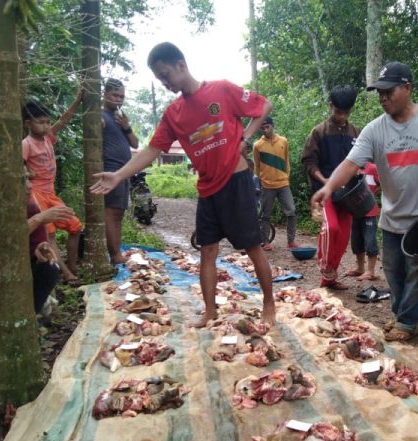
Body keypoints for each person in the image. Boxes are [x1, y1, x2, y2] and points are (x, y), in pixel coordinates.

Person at [90, 42, 276, 325]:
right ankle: (210, 311)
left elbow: (264, 105)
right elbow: (151, 150)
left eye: (165, 74)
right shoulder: (173, 113)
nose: (164, 82)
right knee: (207, 252)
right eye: (159, 78)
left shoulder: (222, 89)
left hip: (237, 182)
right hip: (208, 189)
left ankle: (269, 304)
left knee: (252, 247)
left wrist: (246, 137)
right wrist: (118, 175)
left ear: (180, 65)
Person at [311, 62, 418, 341]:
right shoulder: (374, 130)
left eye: (387, 91)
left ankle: (406, 322)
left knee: (417, 271)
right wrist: (329, 187)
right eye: (379, 92)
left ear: (407, 88)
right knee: (393, 272)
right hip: (392, 217)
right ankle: (401, 315)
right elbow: (350, 162)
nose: (382, 97)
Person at [0, 182, 72, 315]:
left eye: (28, 179)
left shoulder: (30, 210)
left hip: (24, 275)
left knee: (50, 267)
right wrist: (36, 220)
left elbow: (39, 250)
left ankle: (29, 314)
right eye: (21, 179)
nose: (29, 185)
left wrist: (42, 250)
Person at [22, 89, 84, 285]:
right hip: (36, 195)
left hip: (51, 193)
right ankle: (66, 274)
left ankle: (71, 267)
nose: (46, 126)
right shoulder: (26, 144)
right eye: (41, 122)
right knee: (49, 236)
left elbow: (64, 120)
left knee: (75, 227)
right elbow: (20, 167)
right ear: (28, 124)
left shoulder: (48, 138)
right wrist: (27, 175)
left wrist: (77, 100)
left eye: (47, 122)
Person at [302, 85, 360, 289]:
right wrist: (325, 181)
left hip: (349, 193)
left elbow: (359, 161)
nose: (342, 116)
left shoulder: (355, 132)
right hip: (324, 191)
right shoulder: (319, 132)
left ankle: (330, 277)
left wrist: (361, 172)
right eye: (338, 111)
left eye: (346, 112)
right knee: (331, 228)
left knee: (343, 235)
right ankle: (325, 267)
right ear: (331, 106)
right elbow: (309, 162)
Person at [101, 78, 139, 265]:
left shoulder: (120, 118)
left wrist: (127, 126)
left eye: (122, 96)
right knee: (111, 213)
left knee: (119, 214)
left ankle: (116, 251)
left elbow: (136, 143)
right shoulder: (100, 117)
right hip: (110, 170)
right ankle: (115, 254)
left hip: (123, 172)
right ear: (105, 94)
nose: (118, 99)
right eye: (115, 95)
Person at [253, 116, 298, 251]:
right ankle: (265, 241)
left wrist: (286, 176)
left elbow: (286, 161)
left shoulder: (283, 141)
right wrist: (260, 182)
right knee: (265, 215)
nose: (265, 130)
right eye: (263, 128)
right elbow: (257, 166)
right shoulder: (258, 145)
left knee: (292, 211)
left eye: (267, 127)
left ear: (273, 126)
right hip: (267, 185)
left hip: (283, 184)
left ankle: (291, 241)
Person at [345, 162, 381, 281]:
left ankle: (370, 271)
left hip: (369, 211)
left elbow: (383, 183)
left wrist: (373, 193)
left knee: (370, 241)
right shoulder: (349, 167)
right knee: (356, 241)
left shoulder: (373, 168)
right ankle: (360, 268)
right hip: (355, 210)